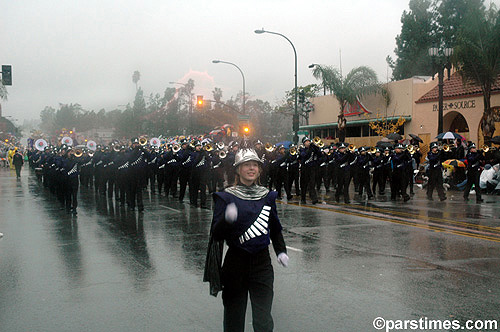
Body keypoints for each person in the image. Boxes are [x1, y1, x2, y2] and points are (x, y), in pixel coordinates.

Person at [204, 147, 289, 332]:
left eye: (255, 165)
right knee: (234, 318)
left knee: (263, 318)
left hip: (262, 263)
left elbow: (274, 228)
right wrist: (227, 220)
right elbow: (217, 234)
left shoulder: (268, 196)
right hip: (236, 263)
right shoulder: (226, 197)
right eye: (246, 165)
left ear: (259, 170)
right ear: (238, 169)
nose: (251, 169)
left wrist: (281, 251)